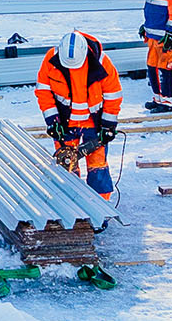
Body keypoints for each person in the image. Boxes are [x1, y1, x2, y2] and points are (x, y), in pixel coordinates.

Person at [35, 30, 122, 197]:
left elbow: (113, 95)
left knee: (97, 165)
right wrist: (52, 121)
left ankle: (100, 205)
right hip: (65, 122)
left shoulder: (102, 62)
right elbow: (43, 91)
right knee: (66, 165)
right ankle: (70, 201)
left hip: (93, 122)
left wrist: (108, 126)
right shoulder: (51, 60)